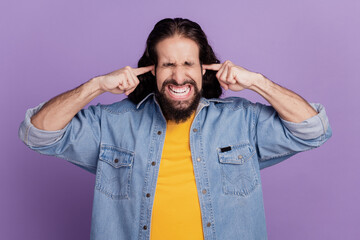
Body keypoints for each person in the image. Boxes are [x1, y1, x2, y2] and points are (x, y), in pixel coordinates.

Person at [19, 17, 332, 240]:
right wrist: (96, 85)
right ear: (152, 70)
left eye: (188, 64)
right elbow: (38, 134)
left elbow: (312, 131)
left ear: (203, 68)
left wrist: (257, 82)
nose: (179, 77)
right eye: (168, 64)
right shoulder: (112, 124)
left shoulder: (241, 122)